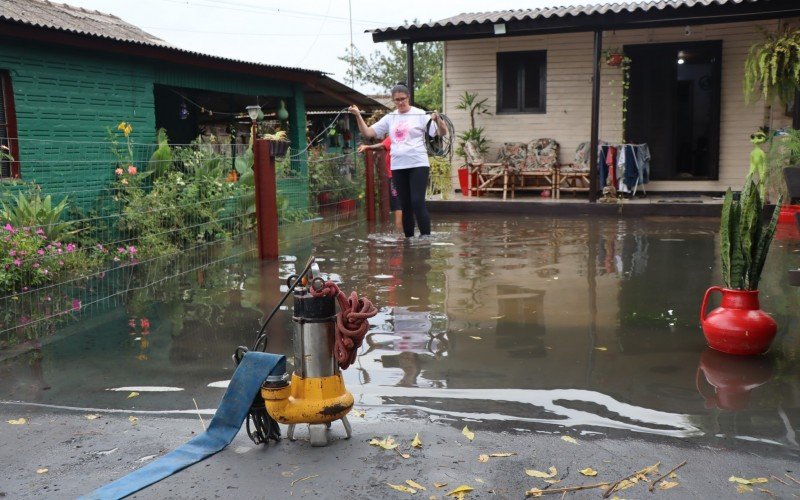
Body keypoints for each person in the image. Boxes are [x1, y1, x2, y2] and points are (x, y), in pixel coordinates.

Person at [349, 83, 447, 238]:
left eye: (403, 99)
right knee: (405, 204)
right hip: (398, 165)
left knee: (417, 201)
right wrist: (357, 115)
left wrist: (437, 120)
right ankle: (409, 240)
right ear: (393, 101)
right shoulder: (391, 117)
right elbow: (368, 132)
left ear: (408, 98)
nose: (400, 102)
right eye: (397, 100)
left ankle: (425, 239)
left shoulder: (420, 114)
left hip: (418, 163)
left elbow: (442, 133)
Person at [357, 136, 403, 229]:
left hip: (395, 176)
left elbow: (382, 145)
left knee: (398, 206)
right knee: (403, 204)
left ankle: (400, 236)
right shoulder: (405, 137)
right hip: (401, 175)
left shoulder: (396, 136)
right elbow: (383, 145)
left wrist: (367, 147)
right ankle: (406, 234)